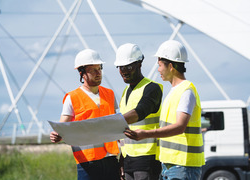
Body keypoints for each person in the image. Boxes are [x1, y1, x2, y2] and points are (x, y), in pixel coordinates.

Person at [124, 40, 205, 180]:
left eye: (160, 65)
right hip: (170, 165)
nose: (158, 69)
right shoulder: (174, 92)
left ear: (171, 66)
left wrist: (146, 134)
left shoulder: (186, 91)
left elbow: (180, 127)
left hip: (182, 166)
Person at [50, 49, 120, 180]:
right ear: (81, 73)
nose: (98, 73)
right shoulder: (72, 97)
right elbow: (61, 128)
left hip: (111, 159)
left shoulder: (109, 94)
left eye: (99, 68)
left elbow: (116, 124)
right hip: (87, 162)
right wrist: (57, 135)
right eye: (93, 70)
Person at [114, 43, 163, 180]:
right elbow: (125, 129)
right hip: (128, 159)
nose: (124, 71)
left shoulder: (152, 88)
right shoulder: (125, 92)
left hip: (147, 158)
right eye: (120, 67)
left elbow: (140, 111)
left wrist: (111, 124)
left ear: (139, 64)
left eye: (128, 67)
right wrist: (122, 160)